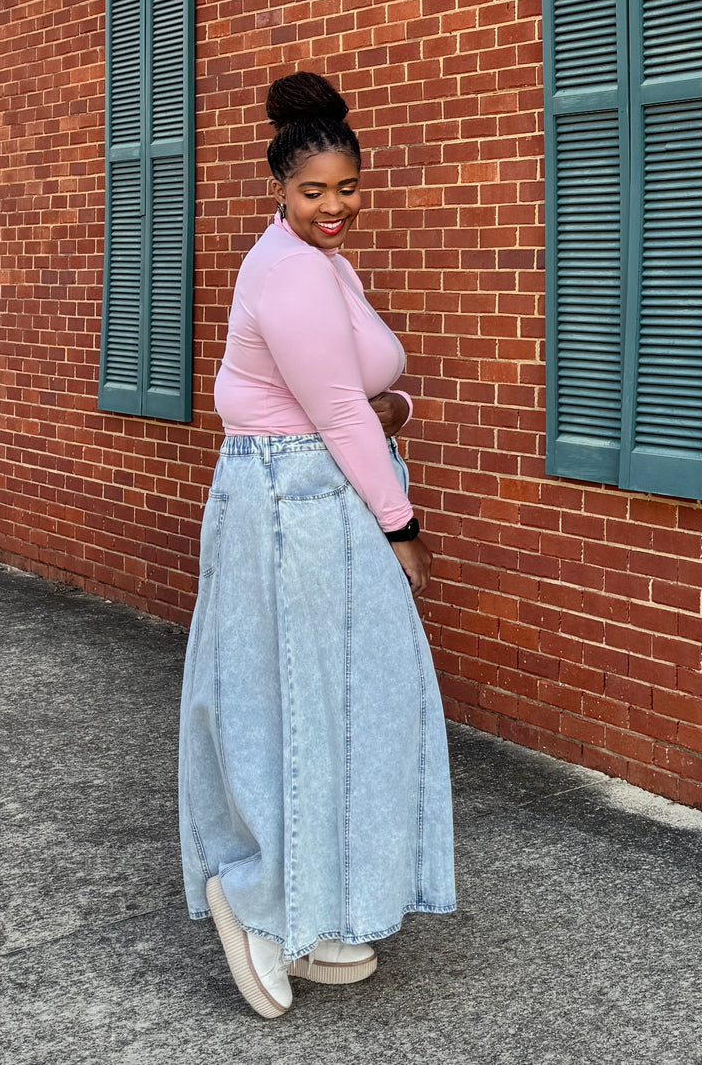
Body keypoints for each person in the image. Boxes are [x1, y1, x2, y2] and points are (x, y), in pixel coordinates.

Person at [178, 72, 455, 1019]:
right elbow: (338, 408)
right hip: (292, 498)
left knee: (346, 698)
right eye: (312, 191)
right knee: (287, 697)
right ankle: (251, 900)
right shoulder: (289, 270)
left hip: (318, 485)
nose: (333, 207)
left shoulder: (324, 262)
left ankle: (315, 904)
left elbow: (357, 391)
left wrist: (397, 408)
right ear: (279, 190)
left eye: (347, 187)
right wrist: (402, 525)